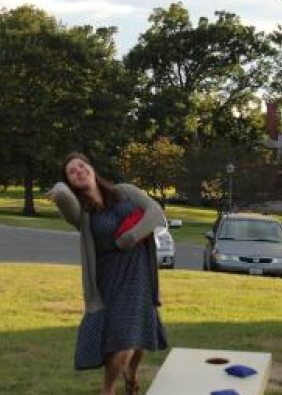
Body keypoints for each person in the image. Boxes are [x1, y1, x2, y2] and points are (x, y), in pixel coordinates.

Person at [49, 152, 168, 395]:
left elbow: (155, 212)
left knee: (140, 337)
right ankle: (108, 389)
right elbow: (61, 194)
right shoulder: (79, 210)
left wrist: (131, 236)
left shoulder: (124, 191)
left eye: (82, 166)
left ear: (92, 168)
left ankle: (132, 378)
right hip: (110, 278)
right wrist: (61, 187)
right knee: (125, 341)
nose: (79, 171)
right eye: (72, 171)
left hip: (139, 274)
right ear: (70, 181)